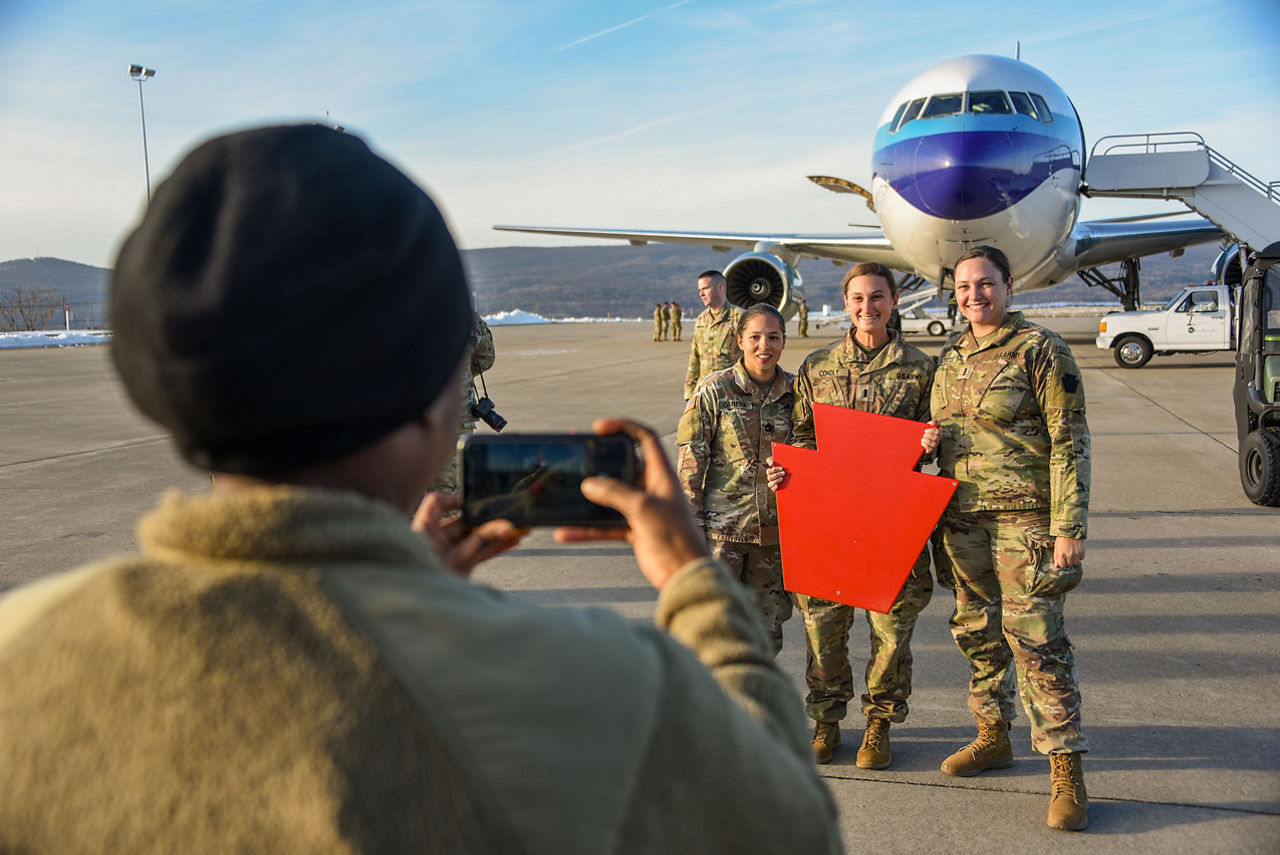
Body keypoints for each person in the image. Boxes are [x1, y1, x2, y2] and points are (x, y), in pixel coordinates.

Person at [0, 125, 842, 854]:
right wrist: (699, 589)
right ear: (442, 397)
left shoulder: (20, 656)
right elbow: (789, 824)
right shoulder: (598, 688)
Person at [921, 244, 1091, 832]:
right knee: (976, 630)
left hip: (1027, 521)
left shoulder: (1040, 350)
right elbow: (940, 435)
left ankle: (1065, 766)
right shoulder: (950, 356)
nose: (975, 296)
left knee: (1037, 639)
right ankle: (992, 735)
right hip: (962, 518)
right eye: (965, 287)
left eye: (985, 284)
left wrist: (1069, 526)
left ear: (1009, 285)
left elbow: (1070, 441)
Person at [767, 262, 935, 769]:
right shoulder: (817, 368)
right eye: (859, 298)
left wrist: (930, 444)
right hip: (830, 521)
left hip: (890, 523)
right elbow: (801, 435)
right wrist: (788, 471)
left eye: (878, 297)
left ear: (894, 301)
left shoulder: (921, 369)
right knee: (823, 626)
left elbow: (932, 444)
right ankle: (826, 720)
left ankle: (879, 723)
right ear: (846, 303)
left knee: (890, 632)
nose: (869, 307)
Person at [676, 304, 795, 655]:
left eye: (773, 337)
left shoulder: (796, 393)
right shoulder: (715, 390)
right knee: (712, 635)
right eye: (755, 337)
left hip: (773, 539)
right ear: (740, 340)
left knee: (765, 638)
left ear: (783, 341)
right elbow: (690, 464)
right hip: (721, 536)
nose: (764, 346)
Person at [432, 309, 496, 494]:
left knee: (401, 503)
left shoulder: (390, 305)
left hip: (399, 427)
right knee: (447, 499)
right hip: (454, 422)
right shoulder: (461, 311)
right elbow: (486, 358)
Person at [684, 270, 745, 399]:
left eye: (705, 288)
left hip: (732, 393)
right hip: (703, 393)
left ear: (720, 287)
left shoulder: (740, 317)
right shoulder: (701, 319)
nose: (701, 294)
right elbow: (695, 357)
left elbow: (752, 358)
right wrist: (689, 393)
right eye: (700, 290)